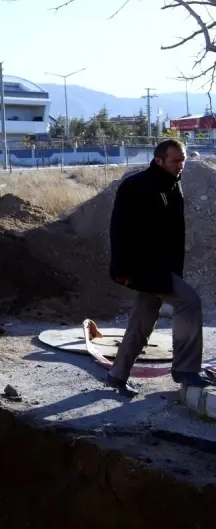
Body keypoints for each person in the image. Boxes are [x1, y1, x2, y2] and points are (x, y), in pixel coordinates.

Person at [106, 139, 209, 396]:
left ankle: (117, 375)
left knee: (143, 317)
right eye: (175, 160)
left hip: (162, 268)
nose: (181, 165)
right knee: (189, 302)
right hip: (142, 268)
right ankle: (185, 369)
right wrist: (122, 269)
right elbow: (119, 231)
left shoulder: (173, 185)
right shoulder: (136, 186)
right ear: (159, 160)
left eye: (183, 159)